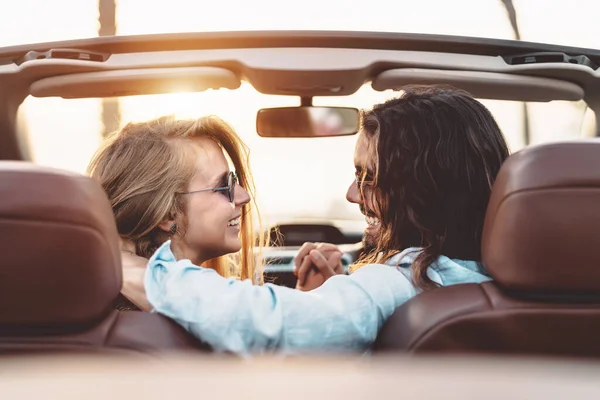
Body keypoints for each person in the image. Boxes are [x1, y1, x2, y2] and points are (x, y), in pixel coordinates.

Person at [129, 85, 510, 355]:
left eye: (370, 177)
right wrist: (338, 295)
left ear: (428, 191)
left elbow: (280, 326)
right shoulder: (526, 287)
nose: (352, 194)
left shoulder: (398, 282)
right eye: (224, 187)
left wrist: (134, 270)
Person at [87, 115, 267, 311]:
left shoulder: (100, 312)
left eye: (233, 180)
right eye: (224, 186)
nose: (244, 196)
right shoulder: (206, 314)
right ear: (167, 215)